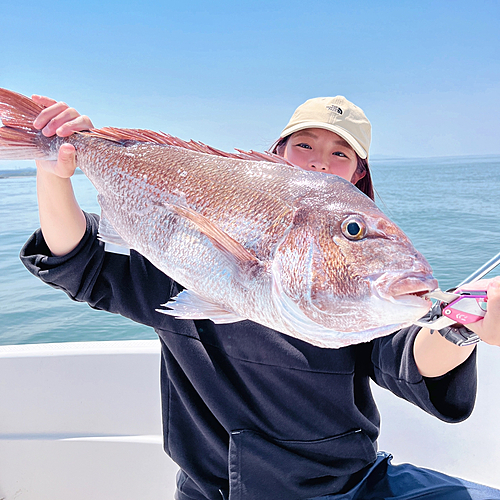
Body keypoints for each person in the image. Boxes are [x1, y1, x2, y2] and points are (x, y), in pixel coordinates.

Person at [20, 93, 500, 500]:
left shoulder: (355, 284)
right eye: (305, 144)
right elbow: (79, 263)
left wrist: (464, 324)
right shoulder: (186, 265)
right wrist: (54, 167)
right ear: (276, 156)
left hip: (346, 487)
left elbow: (408, 357)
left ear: (357, 176)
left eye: (340, 154)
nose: (317, 160)